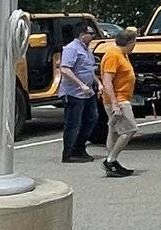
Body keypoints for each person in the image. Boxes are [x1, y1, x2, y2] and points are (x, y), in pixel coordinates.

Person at [93, 24, 141, 179]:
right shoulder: (113, 55)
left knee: (113, 130)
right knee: (129, 130)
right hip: (118, 99)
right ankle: (110, 160)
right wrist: (115, 103)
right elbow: (107, 81)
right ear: (129, 42)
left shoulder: (122, 54)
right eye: (134, 42)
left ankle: (112, 162)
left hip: (122, 97)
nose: (135, 46)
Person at [54, 20, 101, 165]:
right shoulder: (72, 48)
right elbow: (65, 69)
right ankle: (69, 153)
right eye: (91, 33)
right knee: (73, 123)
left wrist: (98, 83)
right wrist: (80, 84)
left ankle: (80, 148)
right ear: (82, 34)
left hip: (88, 92)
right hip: (74, 93)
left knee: (91, 119)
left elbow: (89, 69)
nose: (93, 36)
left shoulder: (86, 49)